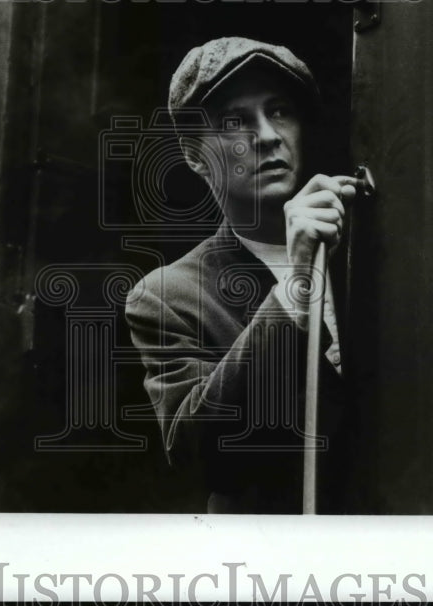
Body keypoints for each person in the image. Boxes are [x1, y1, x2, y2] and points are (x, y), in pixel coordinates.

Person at [125, 37, 361, 514]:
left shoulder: (376, 247)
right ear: (194, 155)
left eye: (279, 111)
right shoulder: (169, 296)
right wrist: (295, 286)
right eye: (235, 121)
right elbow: (201, 457)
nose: (268, 136)